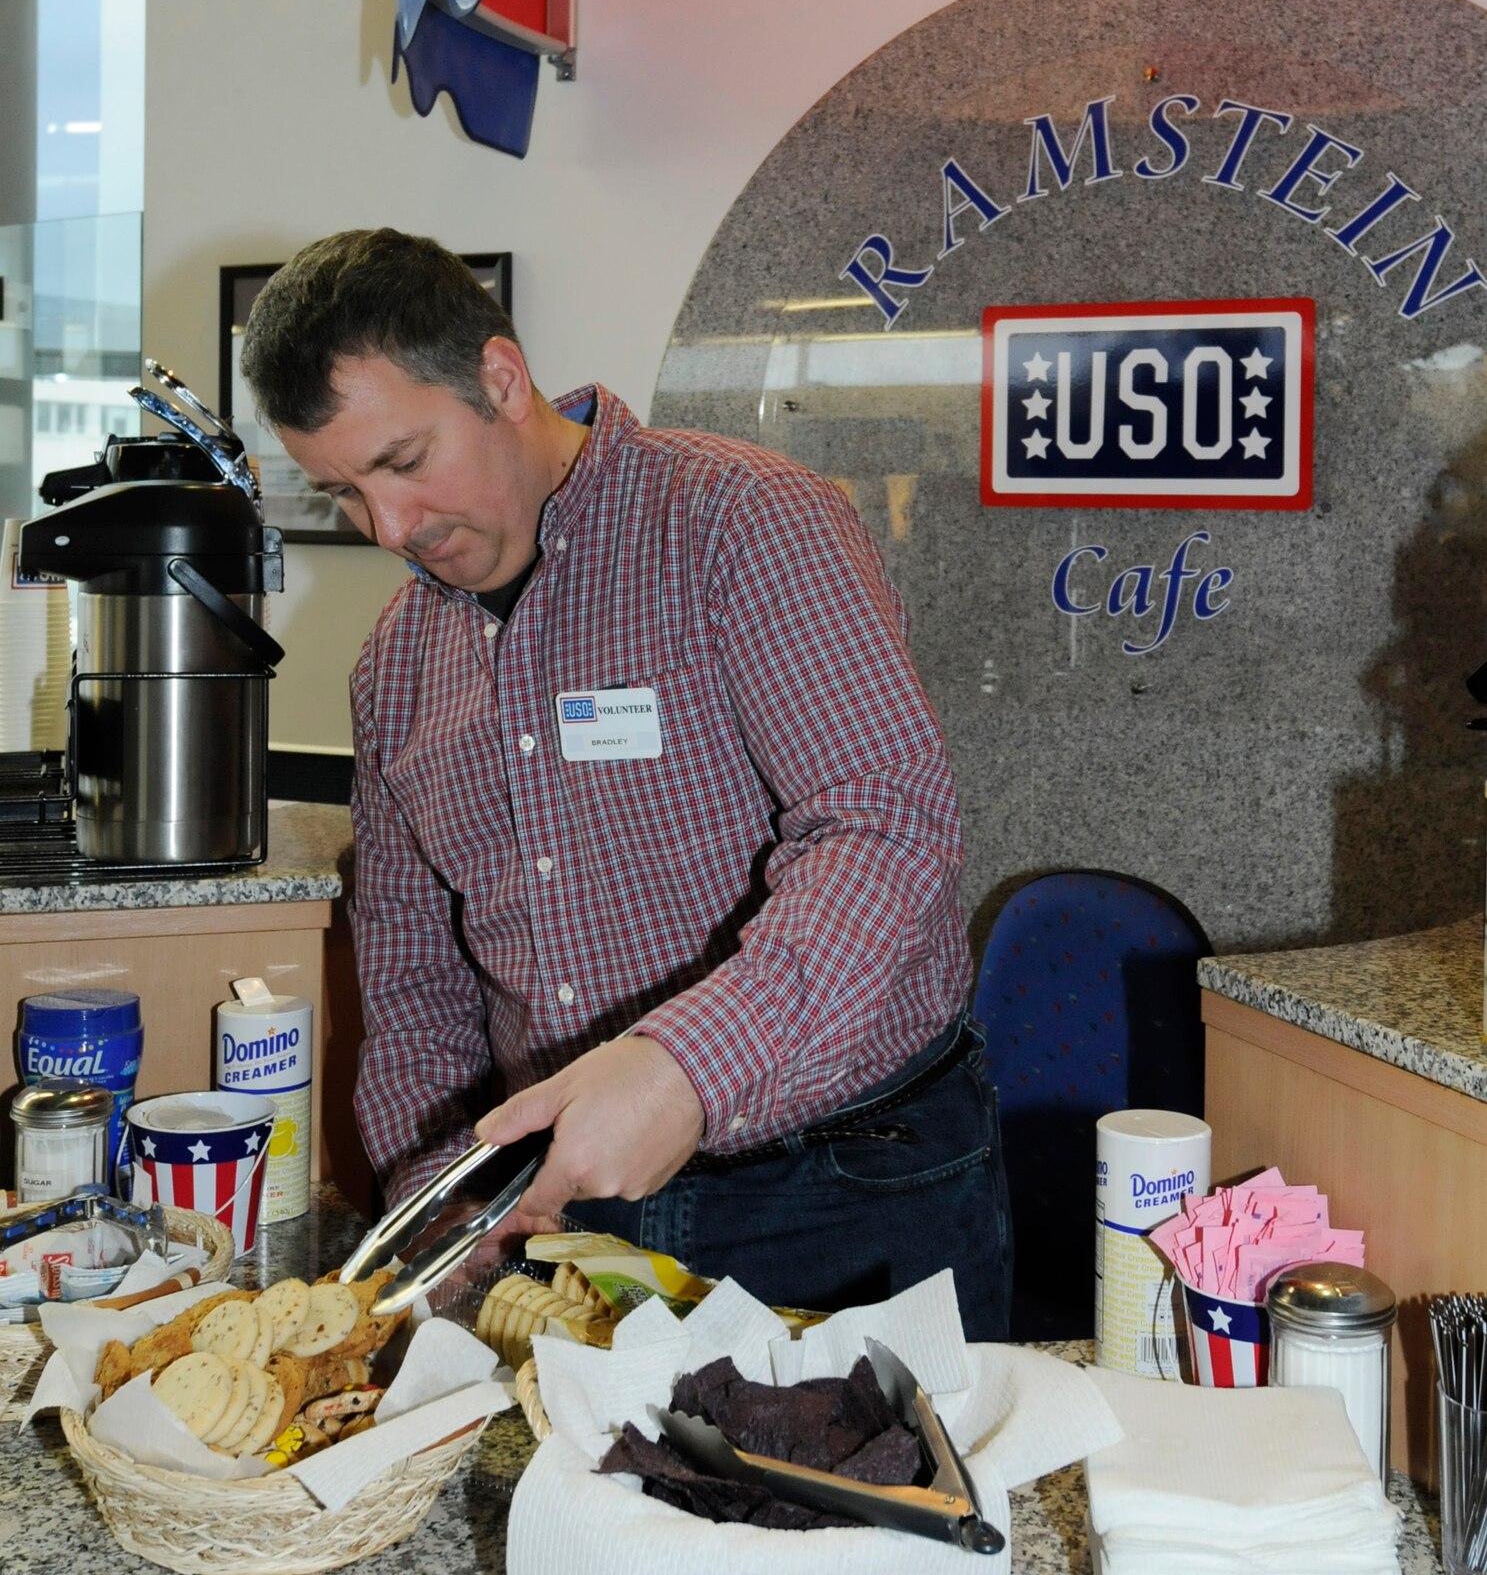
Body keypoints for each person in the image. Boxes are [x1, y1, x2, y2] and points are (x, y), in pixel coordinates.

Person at [240, 228, 1011, 1337]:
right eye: (342, 492)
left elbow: (884, 830)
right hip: (566, 1230)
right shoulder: (397, 664)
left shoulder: (745, 524)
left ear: (500, 380)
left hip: (841, 1191)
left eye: (403, 461)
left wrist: (682, 1068)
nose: (390, 528)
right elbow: (416, 991)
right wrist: (444, 1207)